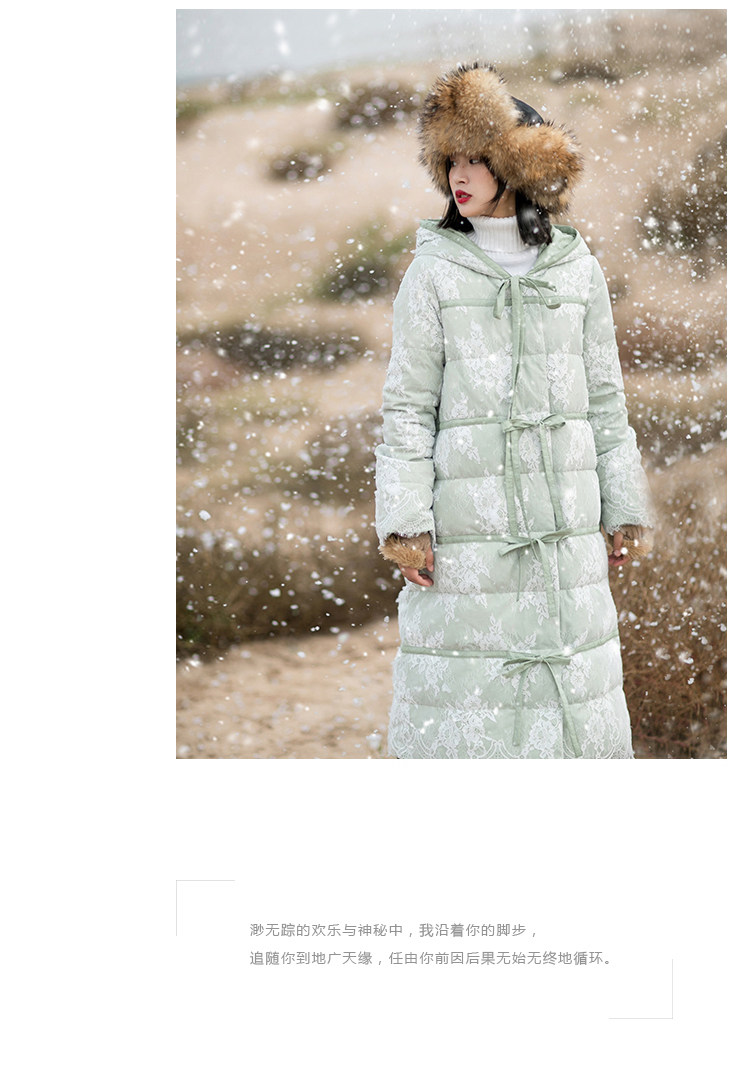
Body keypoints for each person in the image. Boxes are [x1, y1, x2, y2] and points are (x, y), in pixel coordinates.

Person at [374, 63, 654, 759]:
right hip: (470, 536)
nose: (458, 175)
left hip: (566, 532)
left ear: (518, 168)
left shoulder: (577, 270)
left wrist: (623, 505)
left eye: (476, 159)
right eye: (450, 160)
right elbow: (408, 410)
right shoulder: (433, 274)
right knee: (472, 719)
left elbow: (605, 401)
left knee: (572, 719)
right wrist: (406, 523)